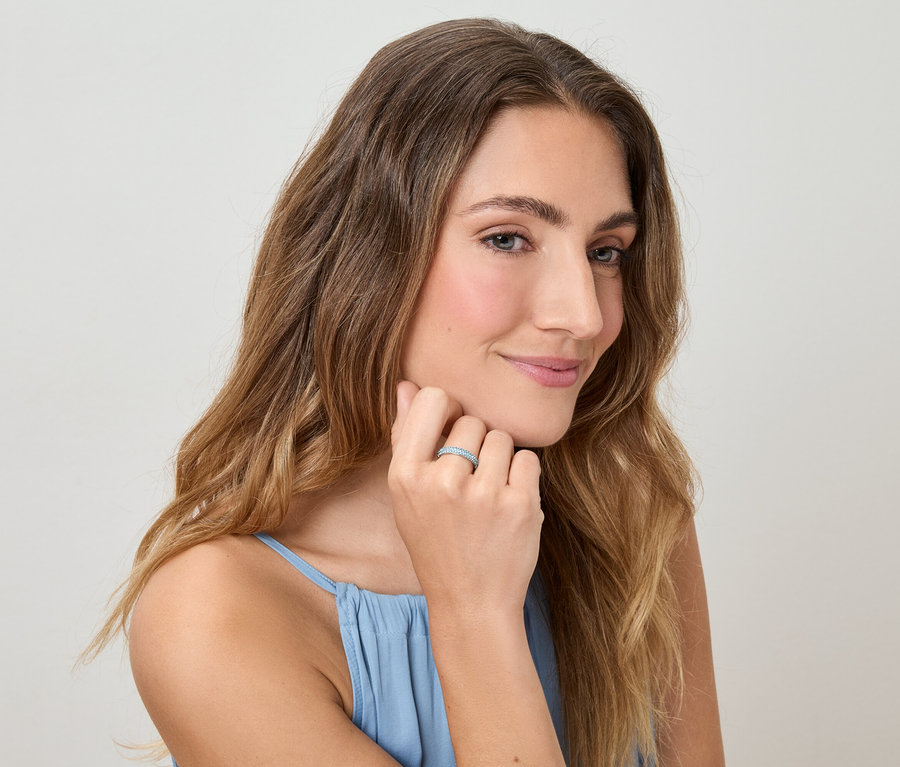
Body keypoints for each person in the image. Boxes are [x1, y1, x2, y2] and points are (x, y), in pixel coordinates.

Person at [89, 18, 724, 767]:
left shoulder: (630, 509)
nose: (584, 313)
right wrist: (476, 613)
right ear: (371, 255)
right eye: (507, 238)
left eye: (605, 251)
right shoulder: (218, 614)